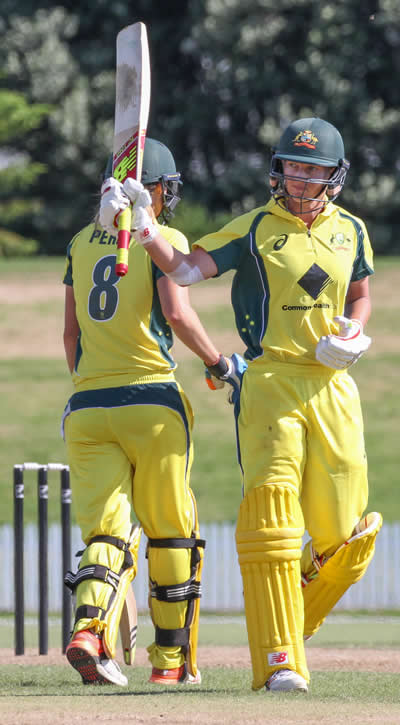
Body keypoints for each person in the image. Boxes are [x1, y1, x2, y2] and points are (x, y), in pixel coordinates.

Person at [99, 117, 382, 693]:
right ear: (278, 171)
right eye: (293, 167)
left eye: (314, 170)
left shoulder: (352, 229)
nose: (302, 179)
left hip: (333, 386)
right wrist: (147, 227)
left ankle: (290, 618)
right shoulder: (252, 228)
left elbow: (360, 292)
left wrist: (355, 331)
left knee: (346, 536)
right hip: (269, 379)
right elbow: (182, 270)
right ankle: (281, 662)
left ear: (336, 176)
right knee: (274, 517)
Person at [62, 138, 225, 687]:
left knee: (105, 535)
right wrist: (218, 361)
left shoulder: (80, 243)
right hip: (152, 402)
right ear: (154, 188)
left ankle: (88, 631)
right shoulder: (167, 239)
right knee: (171, 533)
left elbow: (70, 334)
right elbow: (177, 314)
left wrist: (92, 382)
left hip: (86, 406)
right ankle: (170, 666)